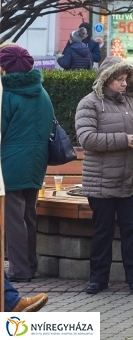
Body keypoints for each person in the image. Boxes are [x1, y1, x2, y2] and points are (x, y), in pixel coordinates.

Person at [75, 57, 133, 295]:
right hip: (101, 181)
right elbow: (86, 138)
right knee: (102, 231)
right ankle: (97, 279)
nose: (124, 84)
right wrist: (123, 140)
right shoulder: (89, 103)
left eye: (126, 79)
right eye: (119, 79)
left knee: (131, 230)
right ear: (106, 79)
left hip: (130, 179)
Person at [0, 45, 54, 282]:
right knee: (28, 214)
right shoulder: (41, 92)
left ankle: (19, 270)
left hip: (10, 162)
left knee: (12, 217)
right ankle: (30, 265)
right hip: (36, 160)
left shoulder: (7, 94)